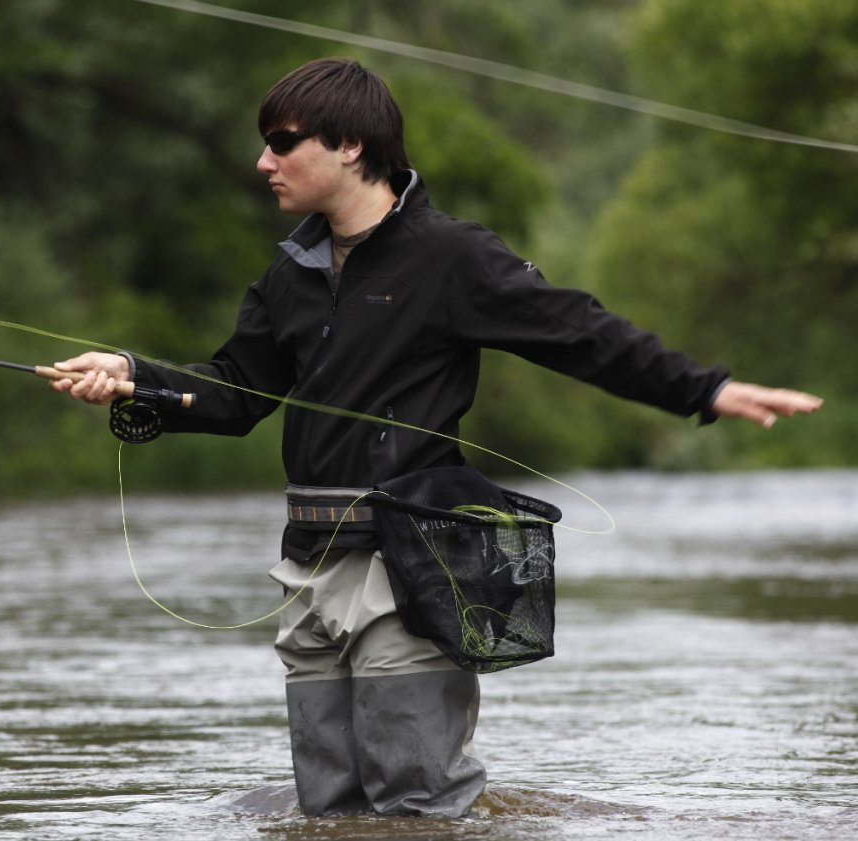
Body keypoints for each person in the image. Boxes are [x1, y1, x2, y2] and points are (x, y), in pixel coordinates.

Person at [48, 58, 823, 818]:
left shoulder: (451, 257)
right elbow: (233, 392)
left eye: (281, 142)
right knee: (329, 810)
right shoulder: (287, 276)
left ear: (348, 145)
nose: (263, 162)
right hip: (309, 573)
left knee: (417, 805)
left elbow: (579, 332)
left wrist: (704, 389)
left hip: (407, 573)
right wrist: (130, 373)